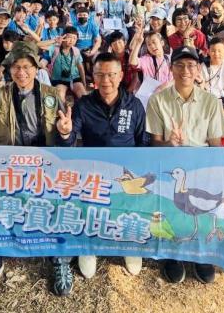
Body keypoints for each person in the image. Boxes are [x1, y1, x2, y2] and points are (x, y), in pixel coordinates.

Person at [0, 41, 74, 299]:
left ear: (36, 69)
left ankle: (60, 260)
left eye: (27, 67)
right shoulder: (0, 94)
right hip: (7, 167)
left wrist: (66, 133)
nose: (21, 72)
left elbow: (66, 134)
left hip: (45, 168)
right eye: (16, 67)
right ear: (9, 70)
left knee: (62, 206)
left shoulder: (52, 94)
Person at [55, 52, 146, 278]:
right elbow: (69, 141)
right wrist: (65, 133)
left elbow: (142, 142)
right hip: (93, 172)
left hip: (125, 173)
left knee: (127, 211)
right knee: (91, 211)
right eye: (100, 74)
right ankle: (89, 248)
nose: (106, 80)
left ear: (121, 75)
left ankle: (130, 246)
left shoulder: (134, 105)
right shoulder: (83, 105)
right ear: (92, 76)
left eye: (111, 74)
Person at [145, 46, 224, 284]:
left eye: (191, 65)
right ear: (171, 69)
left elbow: (215, 146)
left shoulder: (211, 102)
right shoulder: (157, 100)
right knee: (173, 208)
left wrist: (211, 173)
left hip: (201, 167)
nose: (185, 71)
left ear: (198, 69)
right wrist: (170, 144)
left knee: (200, 210)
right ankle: (172, 254)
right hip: (169, 164)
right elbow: (154, 145)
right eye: (179, 65)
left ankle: (200, 254)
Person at [47, 27, 87, 103]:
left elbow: (80, 67)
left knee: (83, 96)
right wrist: (54, 41)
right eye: (69, 37)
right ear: (63, 37)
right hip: (59, 80)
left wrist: (84, 83)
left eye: (74, 38)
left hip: (74, 79)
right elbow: (38, 44)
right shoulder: (55, 48)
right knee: (59, 96)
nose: (72, 40)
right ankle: (65, 110)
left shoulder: (76, 51)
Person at [201, 37, 224, 114]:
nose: (216, 54)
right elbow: (201, 88)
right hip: (206, 98)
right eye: (213, 51)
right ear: (208, 51)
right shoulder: (203, 66)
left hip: (220, 98)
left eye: (219, 51)